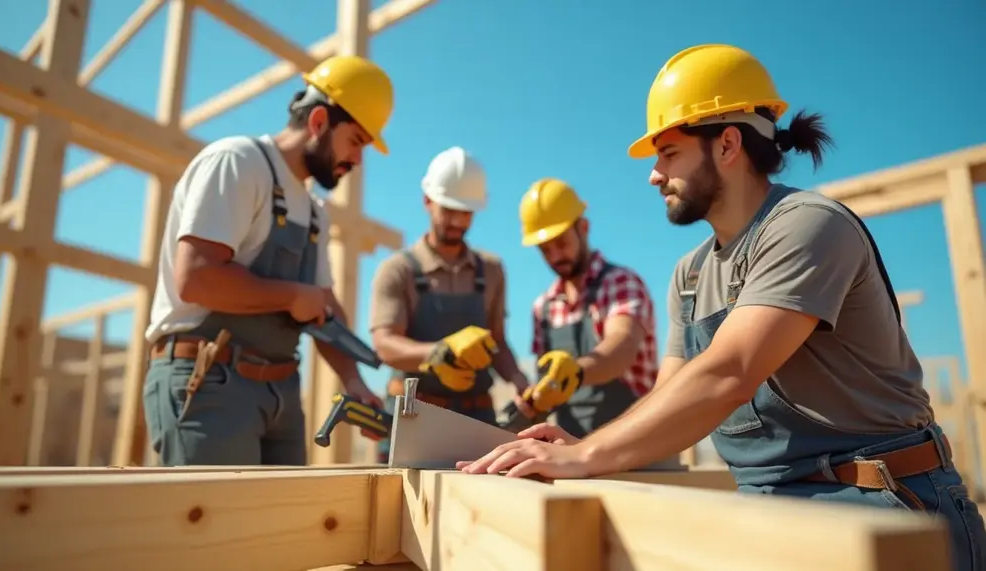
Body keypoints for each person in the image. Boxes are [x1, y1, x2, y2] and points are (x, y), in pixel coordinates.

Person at [457, 43, 986, 570]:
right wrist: (589, 445)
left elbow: (728, 371)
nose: (653, 175)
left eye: (668, 154)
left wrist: (582, 456)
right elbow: (670, 399)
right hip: (773, 510)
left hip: (885, 504)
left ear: (728, 144)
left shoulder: (806, 225)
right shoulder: (690, 276)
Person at [142, 54, 390, 466]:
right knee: (217, 527)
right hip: (207, 382)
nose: (358, 160)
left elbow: (324, 307)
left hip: (281, 393)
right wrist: (292, 295)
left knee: (280, 527)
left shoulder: (314, 211)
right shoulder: (238, 163)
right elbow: (198, 279)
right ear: (318, 123)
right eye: (357, 141)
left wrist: (353, 379)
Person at [369, 146, 532, 462]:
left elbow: (497, 341)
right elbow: (384, 345)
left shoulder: (492, 270)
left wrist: (520, 382)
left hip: (477, 420)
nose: (458, 220)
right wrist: (439, 354)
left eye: (466, 212)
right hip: (415, 418)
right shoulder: (399, 270)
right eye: (449, 209)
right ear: (427, 201)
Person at [514, 178, 659, 439]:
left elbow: (621, 346)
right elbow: (548, 385)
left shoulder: (621, 283)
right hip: (573, 452)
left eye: (561, 243)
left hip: (638, 445)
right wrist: (534, 399)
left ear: (584, 227)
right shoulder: (543, 308)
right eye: (545, 250)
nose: (555, 256)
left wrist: (576, 372)